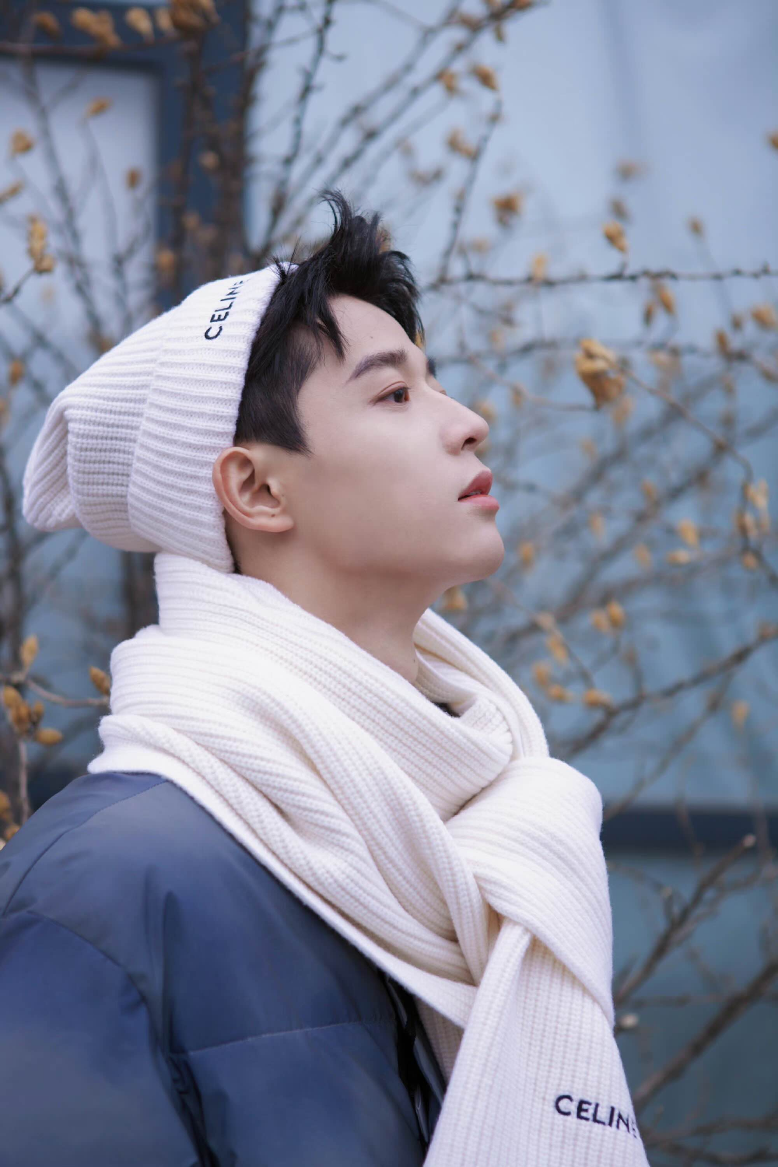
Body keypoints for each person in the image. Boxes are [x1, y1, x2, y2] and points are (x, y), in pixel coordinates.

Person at [1, 189, 648, 1166]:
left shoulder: (500, 853)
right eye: (394, 395)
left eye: (435, 384)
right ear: (258, 488)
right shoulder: (100, 896)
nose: (470, 423)